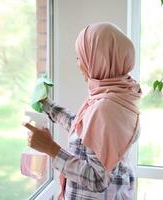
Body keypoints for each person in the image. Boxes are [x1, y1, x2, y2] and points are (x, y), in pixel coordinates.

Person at [23, 22, 142, 200]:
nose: (79, 65)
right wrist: (48, 106)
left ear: (99, 59)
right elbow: (87, 131)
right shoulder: (120, 95)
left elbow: (97, 179)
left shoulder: (106, 108)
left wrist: (51, 148)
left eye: (81, 57)